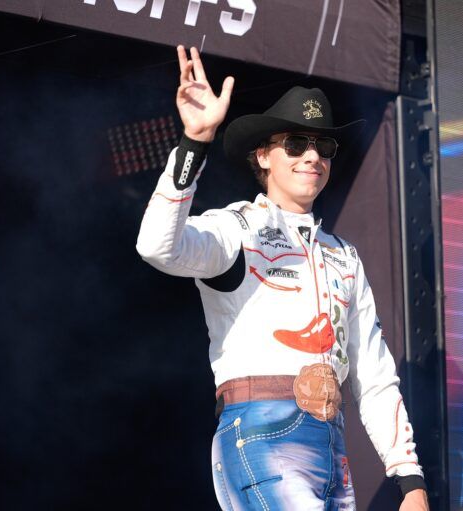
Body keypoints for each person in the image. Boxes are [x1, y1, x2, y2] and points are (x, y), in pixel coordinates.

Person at [136, 45, 430, 511]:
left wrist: (409, 480)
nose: (312, 156)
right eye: (296, 144)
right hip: (262, 430)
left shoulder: (344, 257)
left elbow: (375, 378)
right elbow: (156, 246)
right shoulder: (237, 227)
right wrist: (194, 143)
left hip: (332, 448)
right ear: (265, 157)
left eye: (324, 146)